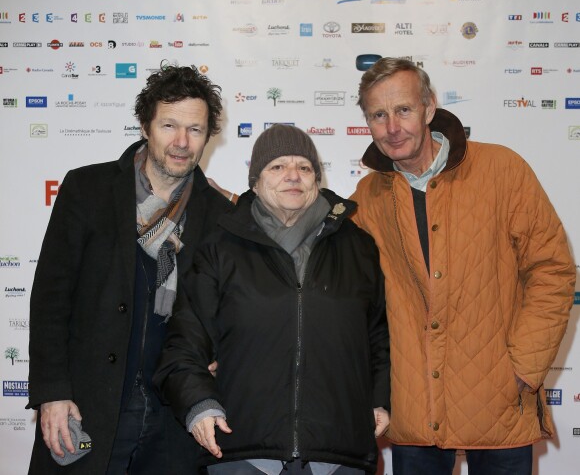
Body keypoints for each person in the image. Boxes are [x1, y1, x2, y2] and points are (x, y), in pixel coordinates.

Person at [349, 57, 576, 474]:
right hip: (413, 409)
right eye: (378, 115)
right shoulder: (368, 196)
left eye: (403, 109)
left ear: (429, 107)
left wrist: (524, 367)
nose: (393, 127)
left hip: (499, 401)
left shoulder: (501, 169)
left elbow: (552, 270)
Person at [27, 64, 233, 474]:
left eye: (194, 130)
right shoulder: (88, 189)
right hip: (89, 404)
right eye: (169, 125)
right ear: (145, 125)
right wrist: (52, 393)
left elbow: (234, 310)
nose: (181, 142)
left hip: (173, 418)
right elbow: (51, 298)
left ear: (209, 136)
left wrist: (220, 357)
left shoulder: (221, 214)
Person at [155, 124, 391, 475]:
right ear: (255, 180)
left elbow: (380, 339)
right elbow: (184, 341)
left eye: (304, 167)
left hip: (339, 454)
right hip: (242, 451)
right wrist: (199, 404)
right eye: (277, 166)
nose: (292, 176)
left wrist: (380, 399)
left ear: (316, 178)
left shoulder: (357, 246)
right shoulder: (220, 247)